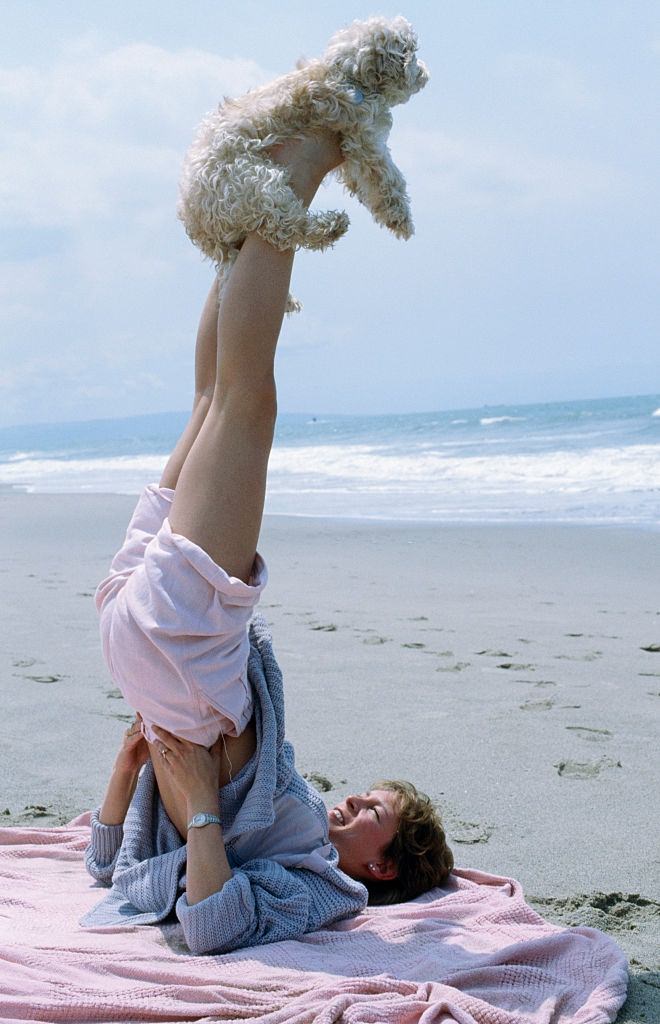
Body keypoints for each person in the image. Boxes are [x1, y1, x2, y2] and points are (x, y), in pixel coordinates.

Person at [83, 133, 453, 954]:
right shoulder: (303, 829)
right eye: (364, 797)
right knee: (211, 401)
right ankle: (238, 224)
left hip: (179, 657)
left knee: (248, 402)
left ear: (386, 867)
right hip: (149, 650)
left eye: (370, 816)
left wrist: (188, 803)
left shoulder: (327, 886)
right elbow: (110, 863)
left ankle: (306, 162)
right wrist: (151, 769)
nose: (347, 806)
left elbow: (207, 926)